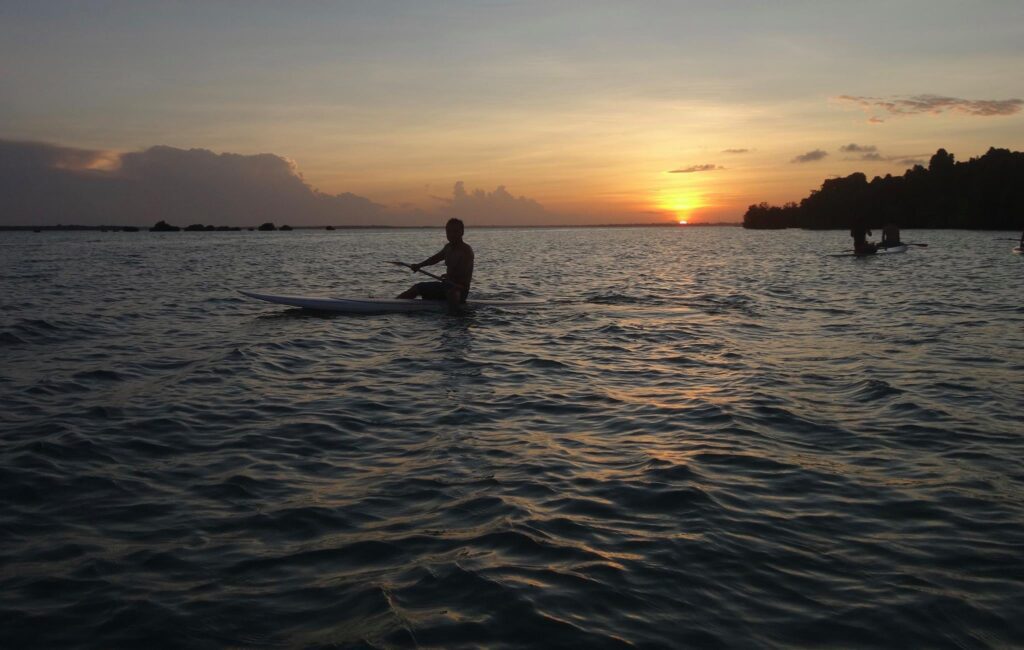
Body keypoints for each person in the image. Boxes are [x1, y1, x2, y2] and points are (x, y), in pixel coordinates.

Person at [396, 218, 474, 310]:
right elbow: (434, 259)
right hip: (446, 286)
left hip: (460, 289)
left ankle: (455, 316)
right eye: (449, 232)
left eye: (455, 231)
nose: (451, 234)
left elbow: (463, 272)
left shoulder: (466, 250)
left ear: (462, 232)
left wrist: (449, 276)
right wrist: (419, 265)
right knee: (416, 288)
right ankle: (393, 303)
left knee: (452, 292)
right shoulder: (447, 248)